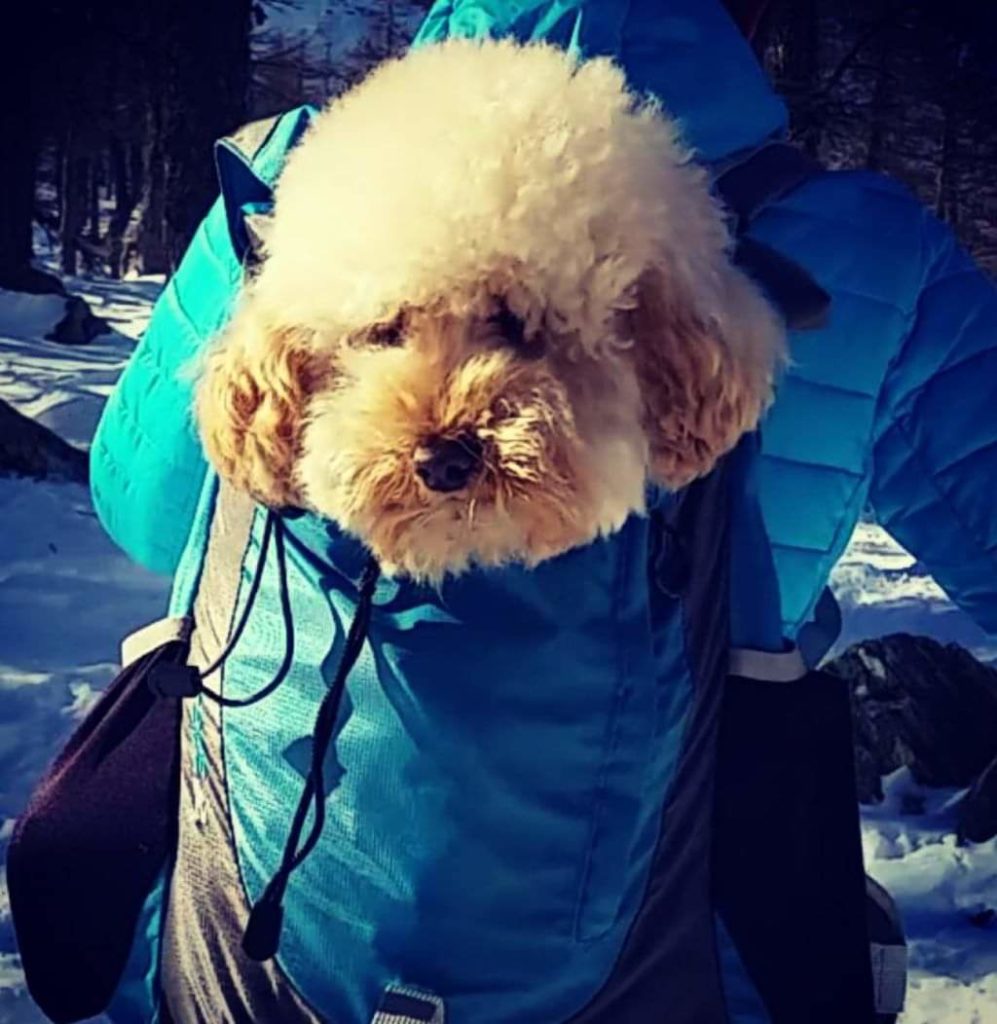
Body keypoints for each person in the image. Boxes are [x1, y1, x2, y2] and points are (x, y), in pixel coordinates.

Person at [74, 1, 996, 1022]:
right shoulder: (874, 245)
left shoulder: (300, 180)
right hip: (673, 940)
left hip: (266, 947)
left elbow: (143, 514)